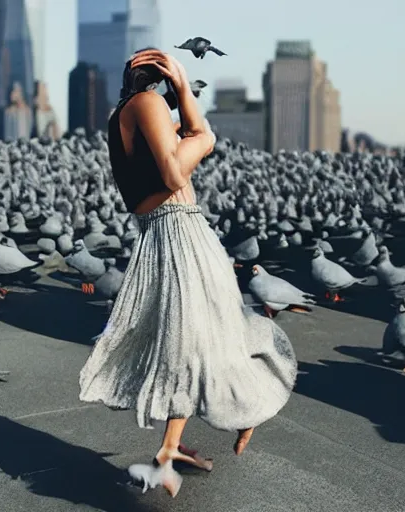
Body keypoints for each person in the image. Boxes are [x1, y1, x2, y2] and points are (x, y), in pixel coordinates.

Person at [79, 48, 297, 496]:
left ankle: (169, 451)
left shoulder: (121, 115)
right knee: (214, 331)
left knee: (188, 336)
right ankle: (247, 409)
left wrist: (186, 119)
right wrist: (187, 98)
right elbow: (179, 171)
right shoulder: (150, 104)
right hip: (181, 231)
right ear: (160, 77)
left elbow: (168, 156)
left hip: (157, 235)